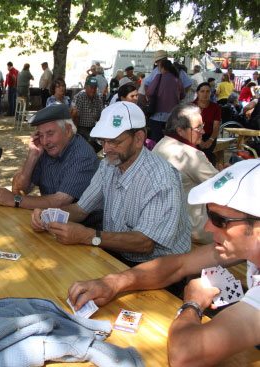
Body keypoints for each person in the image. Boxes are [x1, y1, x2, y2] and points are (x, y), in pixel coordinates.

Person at [68, 159, 260, 367]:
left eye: (219, 220)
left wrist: (192, 304)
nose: (207, 227)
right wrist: (113, 282)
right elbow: (178, 265)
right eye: (208, 214)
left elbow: (185, 356)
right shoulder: (247, 244)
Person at [31, 102, 190, 266]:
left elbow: (144, 243)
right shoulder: (109, 164)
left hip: (159, 268)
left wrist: (87, 235)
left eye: (115, 142)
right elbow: (80, 209)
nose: (106, 150)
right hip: (115, 254)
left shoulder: (162, 178)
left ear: (139, 138)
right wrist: (46, 214)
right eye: (103, 141)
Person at [0, 104, 98, 210]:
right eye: (40, 135)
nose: (44, 141)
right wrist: (32, 156)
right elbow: (18, 189)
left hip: (82, 225)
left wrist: (16, 200)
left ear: (68, 130)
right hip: (52, 221)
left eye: (50, 134)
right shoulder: (45, 150)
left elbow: (61, 202)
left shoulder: (82, 155)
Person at [153, 103, 218, 244]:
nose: (203, 131)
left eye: (203, 125)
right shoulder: (191, 155)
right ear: (180, 130)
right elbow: (221, 187)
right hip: (192, 229)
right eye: (198, 128)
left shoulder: (160, 145)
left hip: (164, 222)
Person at [146, 59, 185, 143]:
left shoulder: (159, 77)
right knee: (171, 142)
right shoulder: (177, 79)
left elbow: (149, 92)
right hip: (173, 116)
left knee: (156, 143)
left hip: (157, 115)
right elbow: (182, 95)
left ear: (162, 68)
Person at [194, 82, 222, 165]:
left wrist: (210, 140)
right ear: (197, 93)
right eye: (202, 91)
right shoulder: (192, 106)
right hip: (194, 135)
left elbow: (216, 126)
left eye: (208, 91)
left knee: (208, 156)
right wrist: (200, 141)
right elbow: (189, 126)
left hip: (209, 136)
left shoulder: (215, 107)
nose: (205, 94)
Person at [72, 77, 103, 142]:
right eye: (91, 87)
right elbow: (75, 117)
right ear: (86, 87)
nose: (93, 90)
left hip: (92, 126)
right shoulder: (80, 97)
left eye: (95, 88)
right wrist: (75, 133)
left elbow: (100, 116)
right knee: (90, 139)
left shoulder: (97, 98)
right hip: (81, 127)